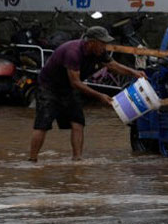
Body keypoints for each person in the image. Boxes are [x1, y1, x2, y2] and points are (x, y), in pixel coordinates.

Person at [29, 26, 146, 162]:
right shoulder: (73, 52)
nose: (105, 47)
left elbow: (113, 65)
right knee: (43, 124)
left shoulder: (99, 52)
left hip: (69, 89)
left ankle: (77, 160)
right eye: (103, 43)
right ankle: (32, 160)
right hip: (49, 87)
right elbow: (76, 83)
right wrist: (100, 95)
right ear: (91, 42)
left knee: (78, 122)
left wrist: (135, 73)